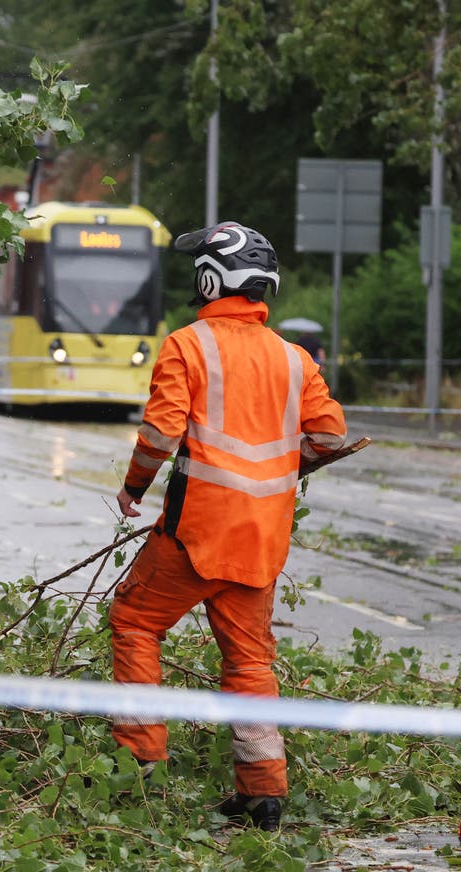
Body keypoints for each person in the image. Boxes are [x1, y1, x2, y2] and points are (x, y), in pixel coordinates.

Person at [110, 222, 346, 830]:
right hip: (261, 542)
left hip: (194, 537)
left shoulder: (188, 344)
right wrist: (281, 467)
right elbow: (329, 437)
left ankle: (140, 766)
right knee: (248, 660)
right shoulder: (295, 359)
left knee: (134, 622)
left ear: (211, 278)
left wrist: (133, 487)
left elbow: (161, 434)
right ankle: (263, 793)